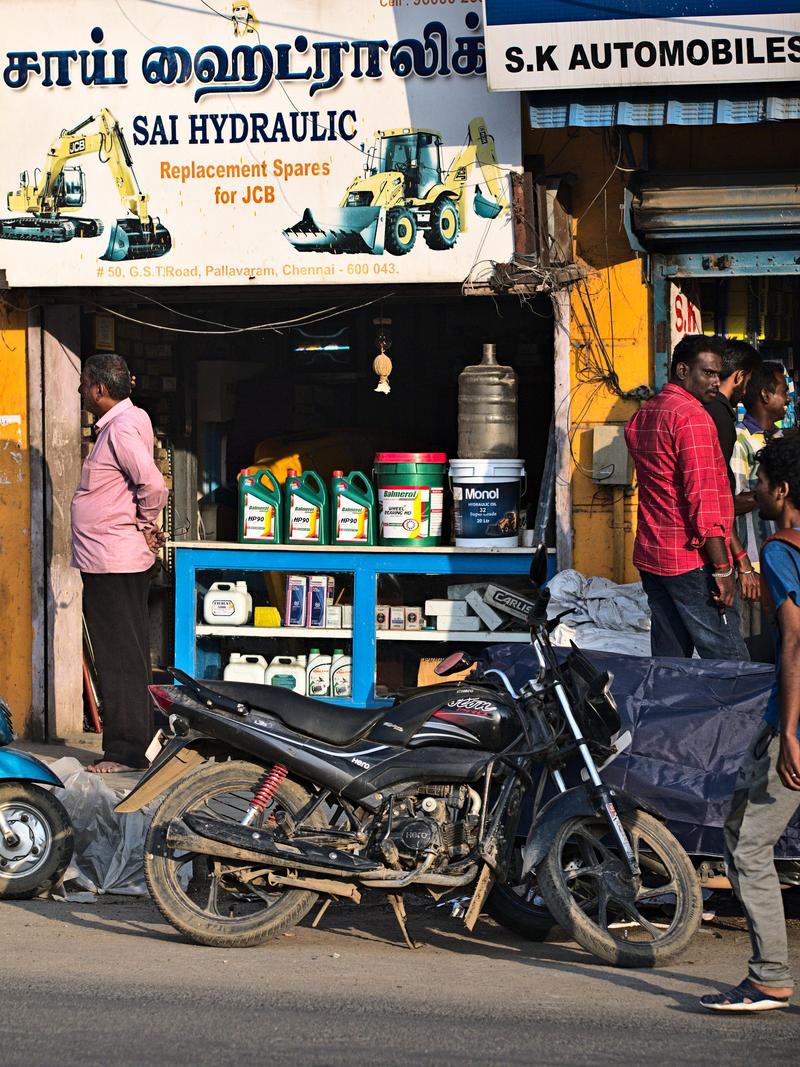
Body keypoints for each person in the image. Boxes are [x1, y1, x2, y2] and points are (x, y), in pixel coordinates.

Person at [701, 430, 800, 1012]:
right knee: (740, 830)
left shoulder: (784, 551)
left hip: (790, 722)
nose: (752, 491)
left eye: (759, 482)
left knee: (750, 846)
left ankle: (769, 976)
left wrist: (788, 733)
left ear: (782, 489)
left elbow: (793, 643)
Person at [71, 354, 168, 773]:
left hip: (114, 560)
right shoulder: (127, 422)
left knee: (118, 656)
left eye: (84, 384)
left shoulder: (123, 428)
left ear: (99, 390)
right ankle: (136, 743)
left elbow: (152, 483)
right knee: (127, 653)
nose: (80, 391)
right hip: (110, 558)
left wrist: (148, 522)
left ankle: (126, 752)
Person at [625, 334, 748, 660]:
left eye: (718, 374)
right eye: (707, 373)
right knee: (730, 662)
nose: (715, 382)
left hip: (653, 555)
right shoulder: (692, 418)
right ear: (682, 370)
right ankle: (736, 714)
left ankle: (665, 713)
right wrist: (723, 569)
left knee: (669, 660)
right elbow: (703, 503)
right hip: (691, 561)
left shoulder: (645, 413)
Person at [731, 361, 790, 661]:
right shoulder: (739, 439)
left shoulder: (783, 440)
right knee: (757, 651)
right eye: (783, 392)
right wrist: (766, 493)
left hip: (785, 563)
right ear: (765, 396)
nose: (788, 399)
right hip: (753, 568)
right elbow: (729, 504)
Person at [705, 339, 762, 605]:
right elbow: (719, 498)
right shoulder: (719, 415)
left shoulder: (709, 410)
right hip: (714, 555)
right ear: (739, 377)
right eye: (748, 381)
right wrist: (740, 563)